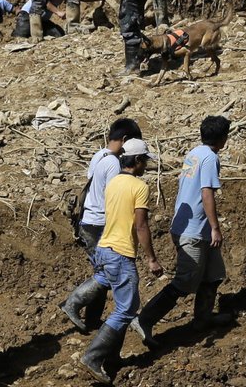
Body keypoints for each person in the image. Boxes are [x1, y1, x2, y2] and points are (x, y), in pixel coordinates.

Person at [130, 116, 231, 348]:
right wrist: (216, 227)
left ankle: (203, 318)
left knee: (214, 275)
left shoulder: (195, 152)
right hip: (194, 231)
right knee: (184, 282)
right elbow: (207, 193)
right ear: (223, 138)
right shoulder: (210, 158)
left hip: (191, 227)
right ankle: (144, 319)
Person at [79, 139, 162, 385]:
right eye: (145, 160)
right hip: (121, 252)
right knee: (126, 309)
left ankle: (112, 357)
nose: (146, 165)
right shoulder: (139, 187)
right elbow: (141, 225)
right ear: (137, 161)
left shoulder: (114, 181)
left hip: (104, 247)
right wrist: (152, 258)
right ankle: (92, 358)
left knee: (123, 306)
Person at [60, 119, 143, 333]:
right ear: (125, 140)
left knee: (103, 271)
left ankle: (92, 320)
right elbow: (116, 196)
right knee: (107, 272)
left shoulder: (100, 156)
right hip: (99, 223)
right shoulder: (115, 164)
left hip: (89, 220)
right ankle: (74, 304)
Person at [12, 0, 102, 38]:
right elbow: (43, 1)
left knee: (59, 34)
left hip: (43, 21)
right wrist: (58, 12)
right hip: (27, 16)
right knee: (20, 38)